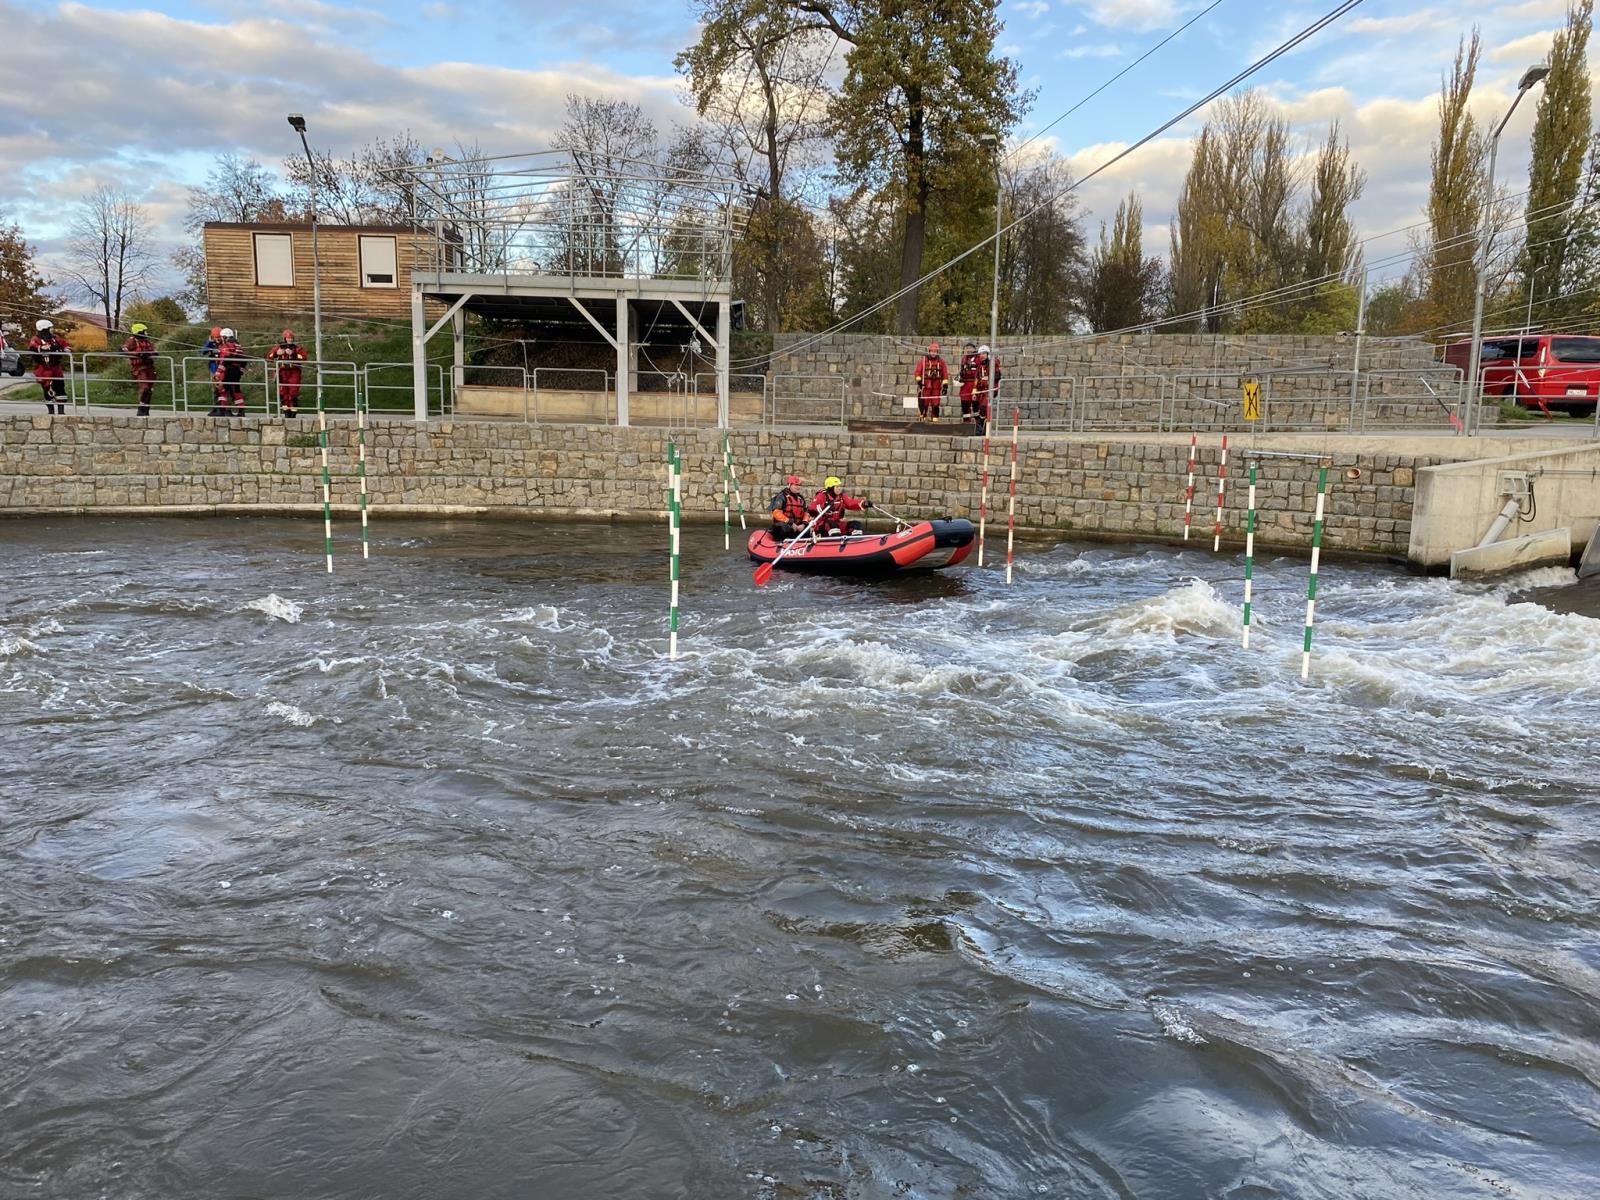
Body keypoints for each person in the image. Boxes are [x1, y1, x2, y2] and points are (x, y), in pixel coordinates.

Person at [28, 319, 70, 415]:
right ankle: (50, 412)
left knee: (60, 389)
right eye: (50, 328)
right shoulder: (36, 339)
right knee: (47, 390)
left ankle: (61, 412)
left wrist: (66, 349)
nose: (52, 330)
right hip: (44, 369)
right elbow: (32, 347)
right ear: (44, 329)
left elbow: (65, 344)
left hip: (56, 368)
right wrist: (41, 348)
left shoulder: (55, 338)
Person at [266, 328, 308, 418]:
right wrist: (276, 353)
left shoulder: (297, 348)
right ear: (285, 338)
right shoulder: (279, 347)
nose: (290, 339)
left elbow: (304, 358)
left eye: (291, 338)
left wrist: (293, 354)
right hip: (283, 372)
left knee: (293, 392)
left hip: (294, 372)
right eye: (288, 338)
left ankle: (293, 413)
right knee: (283, 393)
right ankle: (286, 411)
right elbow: (269, 357)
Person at [123, 322, 157, 416]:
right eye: (144, 331)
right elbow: (123, 350)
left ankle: (146, 409)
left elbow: (154, 351)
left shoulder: (147, 341)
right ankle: (140, 407)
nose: (146, 333)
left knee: (150, 390)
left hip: (150, 368)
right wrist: (139, 354)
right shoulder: (132, 341)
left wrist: (151, 354)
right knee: (145, 388)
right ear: (139, 332)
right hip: (139, 369)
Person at [214, 328, 248, 416]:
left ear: (225, 337)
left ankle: (222, 411)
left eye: (222, 337)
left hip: (228, 371)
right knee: (236, 390)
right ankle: (241, 410)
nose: (221, 339)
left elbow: (224, 360)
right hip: (236, 371)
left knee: (223, 390)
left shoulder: (226, 346)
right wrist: (241, 370)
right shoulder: (238, 345)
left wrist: (218, 372)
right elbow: (243, 360)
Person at [913, 340, 949, 420]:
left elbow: (945, 374)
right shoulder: (923, 361)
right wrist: (919, 382)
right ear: (929, 351)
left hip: (936, 386)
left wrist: (945, 386)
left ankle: (935, 419)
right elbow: (917, 373)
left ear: (937, 352)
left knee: (936, 403)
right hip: (926, 385)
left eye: (935, 351)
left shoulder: (941, 362)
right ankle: (923, 418)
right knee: (924, 403)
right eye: (932, 351)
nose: (933, 353)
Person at [768, 474, 811, 540]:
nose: (798, 487)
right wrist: (791, 523)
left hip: (798, 527)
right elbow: (776, 513)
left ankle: (804, 545)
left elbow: (806, 513)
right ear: (789, 485)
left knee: (808, 527)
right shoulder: (781, 496)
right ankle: (781, 543)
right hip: (785, 526)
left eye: (799, 485)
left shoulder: (801, 498)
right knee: (784, 527)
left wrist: (803, 524)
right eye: (796, 485)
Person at [974, 343, 1003, 435]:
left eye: (984, 353)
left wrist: (989, 378)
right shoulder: (979, 366)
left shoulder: (993, 363)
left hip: (991, 389)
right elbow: (976, 379)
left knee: (984, 407)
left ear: (988, 354)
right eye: (980, 354)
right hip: (981, 389)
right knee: (977, 407)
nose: (982, 356)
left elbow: (998, 376)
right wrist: (974, 392)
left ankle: (984, 427)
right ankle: (981, 427)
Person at [201, 326, 224, 416]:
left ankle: (223, 408)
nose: (218, 339)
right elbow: (201, 352)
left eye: (219, 337)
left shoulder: (225, 344)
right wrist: (209, 342)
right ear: (212, 337)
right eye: (216, 337)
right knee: (215, 390)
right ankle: (215, 408)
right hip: (214, 370)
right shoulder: (211, 344)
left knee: (223, 389)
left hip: (222, 370)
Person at [957, 341, 981, 422]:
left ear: (974, 349)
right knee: (964, 404)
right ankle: (966, 422)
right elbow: (962, 370)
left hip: (975, 383)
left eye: (970, 348)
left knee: (976, 405)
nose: (968, 350)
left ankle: (978, 424)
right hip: (965, 384)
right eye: (967, 348)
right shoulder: (964, 358)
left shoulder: (978, 358)